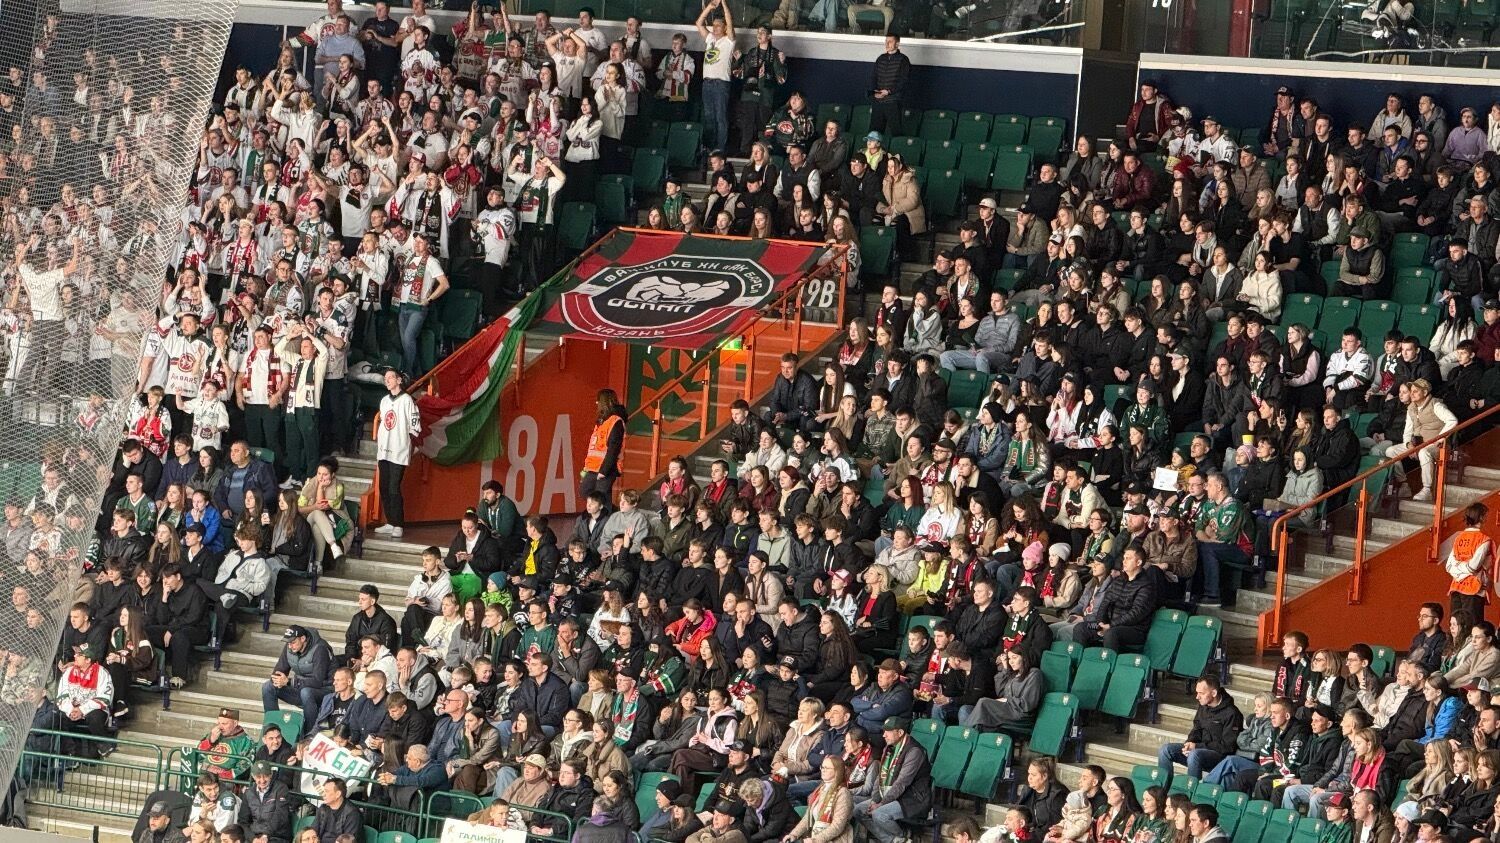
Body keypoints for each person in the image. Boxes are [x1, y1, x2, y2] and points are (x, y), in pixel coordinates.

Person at [852, 717, 930, 842]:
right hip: (890, 794)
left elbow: (902, 783)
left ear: (900, 732)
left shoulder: (914, 751)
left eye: (888, 731)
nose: (884, 735)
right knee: (858, 811)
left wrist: (881, 804)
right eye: (884, 731)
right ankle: (894, 840)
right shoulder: (889, 748)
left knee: (879, 814)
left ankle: (904, 835)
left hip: (912, 798)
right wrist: (875, 799)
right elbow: (880, 777)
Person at [1158, 675, 1244, 785]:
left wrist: (1197, 746)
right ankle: (1161, 790)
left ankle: (1191, 792)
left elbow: (1227, 746)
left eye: (1201, 693)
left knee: (1194, 755)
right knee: (1165, 750)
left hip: (1219, 756)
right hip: (1199, 750)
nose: (1197, 697)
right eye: (1197, 693)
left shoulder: (1232, 713)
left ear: (1214, 693)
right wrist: (1189, 743)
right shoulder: (1203, 706)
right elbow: (1196, 729)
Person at [374, 367, 419, 539]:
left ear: (399, 380)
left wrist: (409, 447)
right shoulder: (384, 400)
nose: (387, 380)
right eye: (385, 378)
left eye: (391, 377)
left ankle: (398, 524)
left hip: (399, 451)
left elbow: (415, 427)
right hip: (383, 451)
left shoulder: (407, 400)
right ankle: (390, 522)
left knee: (394, 488)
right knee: (383, 487)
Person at [262, 624, 334, 727]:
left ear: (303, 639)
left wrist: (289, 682)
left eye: (293, 642)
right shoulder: (290, 647)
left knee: (306, 692)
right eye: (288, 643)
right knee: (268, 687)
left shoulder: (320, 649)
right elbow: (278, 671)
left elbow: (317, 681)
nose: (290, 646)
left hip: (324, 691)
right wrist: (277, 679)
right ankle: (272, 728)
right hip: (301, 688)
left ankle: (310, 732)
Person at [581, 389, 626, 502]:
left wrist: (604, 471)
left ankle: (608, 513)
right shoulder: (602, 421)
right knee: (585, 492)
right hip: (593, 467)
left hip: (605, 468)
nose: (596, 404)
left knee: (601, 499)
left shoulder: (615, 422)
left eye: (598, 401)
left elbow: (613, 449)